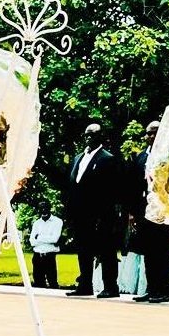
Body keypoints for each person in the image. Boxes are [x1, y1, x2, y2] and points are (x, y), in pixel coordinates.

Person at [66, 123, 121, 298]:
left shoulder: (107, 159)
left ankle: (111, 286)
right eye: (86, 135)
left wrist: (105, 214)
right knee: (83, 250)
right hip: (80, 214)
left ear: (100, 137)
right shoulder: (78, 158)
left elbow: (111, 191)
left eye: (92, 135)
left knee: (106, 251)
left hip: (101, 214)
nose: (88, 138)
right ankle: (85, 284)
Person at [128, 121, 169, 303]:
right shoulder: (140, 158)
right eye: (148, 133)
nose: (150, 137)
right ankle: (151, 288)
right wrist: (132, 213)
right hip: (144, 211)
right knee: (148, 252)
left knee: (162, 251)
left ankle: (162, 290)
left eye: (154, 133)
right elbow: (132, 186)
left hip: (163, 210)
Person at [29, 201, 63, 288]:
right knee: (38, 284)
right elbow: (32, 241)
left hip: (49, 256)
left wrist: (39, 237)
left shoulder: (57, 221)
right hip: (37, 256)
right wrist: (47, 238)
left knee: (53, 284)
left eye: (45, 207)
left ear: (49, 208)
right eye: (41, 208)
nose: (43, 209)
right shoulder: (36, 223)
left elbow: (55, 239)